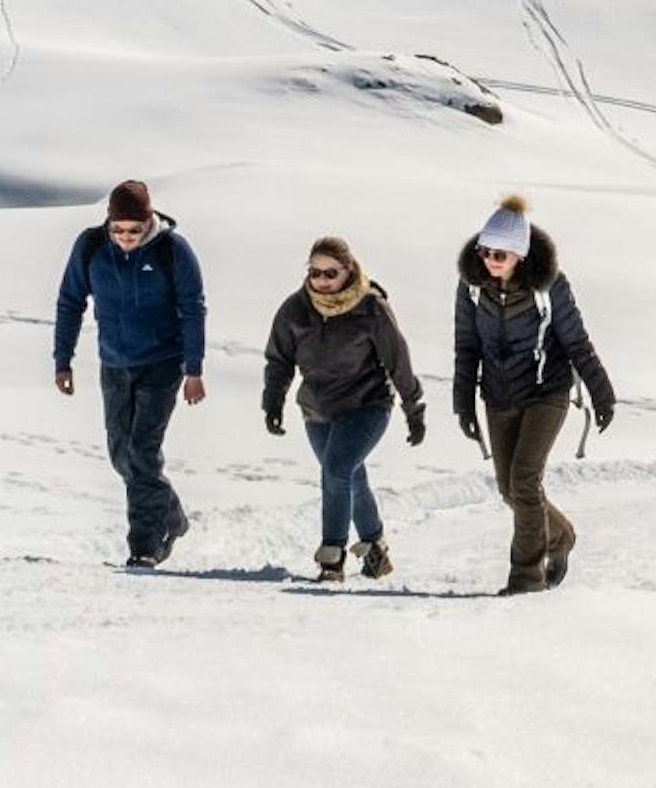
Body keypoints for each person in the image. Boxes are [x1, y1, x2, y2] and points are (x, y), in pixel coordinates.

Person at [449, 195, 615, 594]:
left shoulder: (550, 286)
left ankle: (526, 578)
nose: (490, 259)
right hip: (498, 395)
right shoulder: (472, 287)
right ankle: (559, 536)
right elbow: (466, 345)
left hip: (546, 392)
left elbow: (576, 341)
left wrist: (601, 391)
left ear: (520, 254)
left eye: (500, 254)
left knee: (524, 481)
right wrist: (463, 401)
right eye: (485, 251)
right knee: (510, 489)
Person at [52, 178, 208, 569]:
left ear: (149, 221)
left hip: (162, 364)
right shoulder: (90, 247)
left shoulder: (173, 250)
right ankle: (171, 516)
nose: (126, 238)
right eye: (118, 229)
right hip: (114, 365)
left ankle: (145, 545)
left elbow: (193, 308)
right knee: (121, 455)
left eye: (134, 230)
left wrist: (194, 369)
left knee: (141, 452)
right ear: (108, 223)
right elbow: (70, 301)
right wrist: (62, 360)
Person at [261, 235, 426, 584]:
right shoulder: (296, 308)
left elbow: (398, 361)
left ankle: (332, 558)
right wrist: (272, 401)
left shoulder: (371, 308)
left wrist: (414, 408)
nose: (321, 281)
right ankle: (375, 546)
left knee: (335, 470)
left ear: (348, 271)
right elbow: (279, 359)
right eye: (315, 272)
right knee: (350, 476)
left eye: (330, 273)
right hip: (318, 409)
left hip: (367, 405)